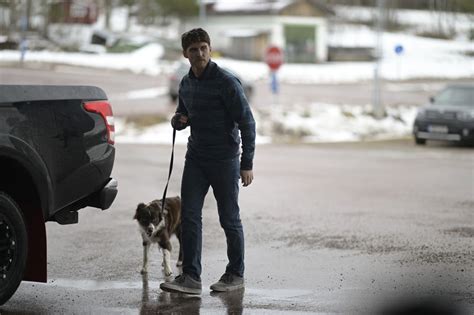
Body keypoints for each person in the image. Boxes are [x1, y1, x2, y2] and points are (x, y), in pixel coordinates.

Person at [160, 28, 256, 295]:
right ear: (185, 54)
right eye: (193, 49)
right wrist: (178, 121)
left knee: (229, 218)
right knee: (189, 217)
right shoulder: (186, 83)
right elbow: (183, 113)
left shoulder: (227, 82)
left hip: (225, 160)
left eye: (203, 47)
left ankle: (236, 273)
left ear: (210, 49)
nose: (199, 53)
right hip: (196, 159)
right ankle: (191, 277)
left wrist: (246, 163)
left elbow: (247, 123)